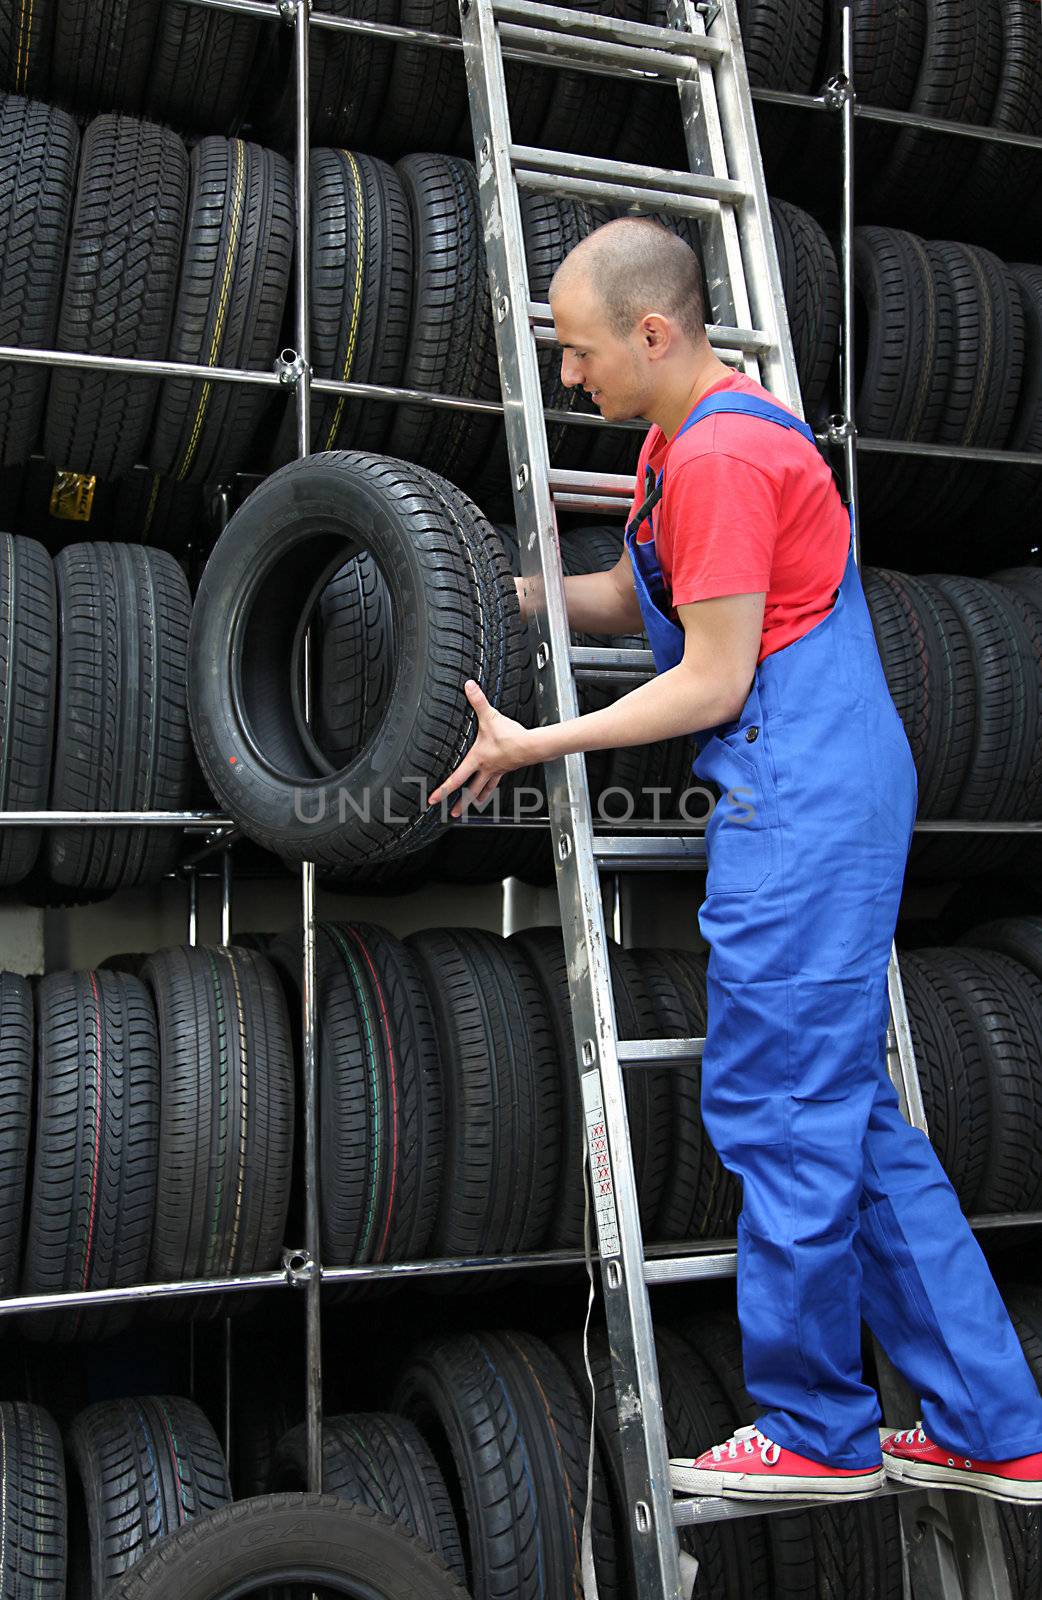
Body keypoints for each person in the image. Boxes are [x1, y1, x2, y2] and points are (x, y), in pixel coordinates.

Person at [427, 217, 1042, 1506]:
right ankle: (996, 1424)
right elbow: (641, 597)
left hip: (801, 794)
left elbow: (709, 679)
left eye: (583, 351)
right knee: (853, 1121)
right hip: (809, 778)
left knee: (780, 1109)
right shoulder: (685, 442)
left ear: (655, 332)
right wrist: (501, 593)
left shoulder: (717, 460)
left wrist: (543, 740)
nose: (571, 377)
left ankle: (817, 1426)